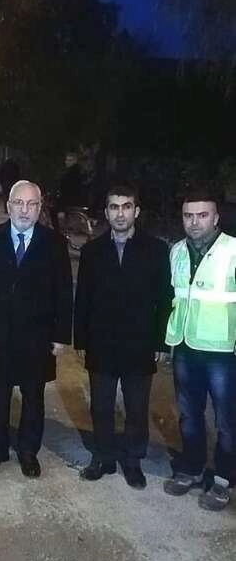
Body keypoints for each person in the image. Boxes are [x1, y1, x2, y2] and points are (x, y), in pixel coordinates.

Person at [0, 180, 72, 478]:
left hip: (37, 336)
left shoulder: (55, 243)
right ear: (9, 205)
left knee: (33, 397)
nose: (25, 210)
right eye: (19, 203)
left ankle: (28, 452)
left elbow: (64, 292)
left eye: (32, 204)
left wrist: (61, 335)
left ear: (40, 208)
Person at [74, 184, 173, 489]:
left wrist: (160, 341)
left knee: (137, 408)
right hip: (101, 342)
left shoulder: (156, 250)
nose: (120, 213)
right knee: (101, 406)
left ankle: (132, 460)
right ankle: (103, 457)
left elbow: (164, 299)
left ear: (136, 211)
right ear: (106, 212)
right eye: (114, 207)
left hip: (139, 343)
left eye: (126, 207)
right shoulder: (92, 251)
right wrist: (81, 340)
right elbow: (83, 299)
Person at [163, 189, 236, 512]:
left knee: (227, 420)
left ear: (216, 218)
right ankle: (191, 468)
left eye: (202, 215)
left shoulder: (233, 250)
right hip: (185, 346)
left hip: (223, 350)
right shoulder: (177, 251)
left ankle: (223, 479)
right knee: (189, 414)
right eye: (188, 215)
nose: (194, 222)